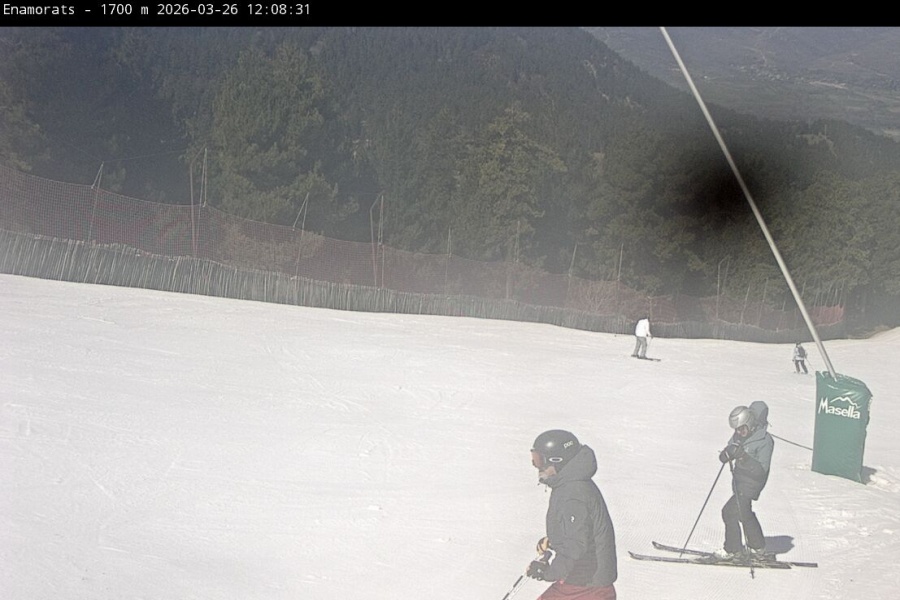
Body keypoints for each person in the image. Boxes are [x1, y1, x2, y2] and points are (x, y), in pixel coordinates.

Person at [526, 430, 618, 600]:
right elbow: (580, 530)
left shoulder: (573, 494)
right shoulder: (570, 484)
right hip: (582, 581)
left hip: (586, 586)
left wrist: (548, 572)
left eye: (539, 460)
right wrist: (554, 541)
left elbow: (576, 544)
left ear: (557, 460)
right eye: (534, 459)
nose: (537, 467)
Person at [713, 402, 775, 560]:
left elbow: (761, 470)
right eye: (736, 429)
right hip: (739, 480)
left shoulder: (765, 440)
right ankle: (757, 547)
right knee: (744, 513)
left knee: (729, 512)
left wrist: (743, 457)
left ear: (751, 424)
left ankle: (733, 549)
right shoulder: (740, 435)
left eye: (742, 429)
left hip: (753, 483)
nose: (739, 432)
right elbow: (730, 448)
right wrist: (726, 455)